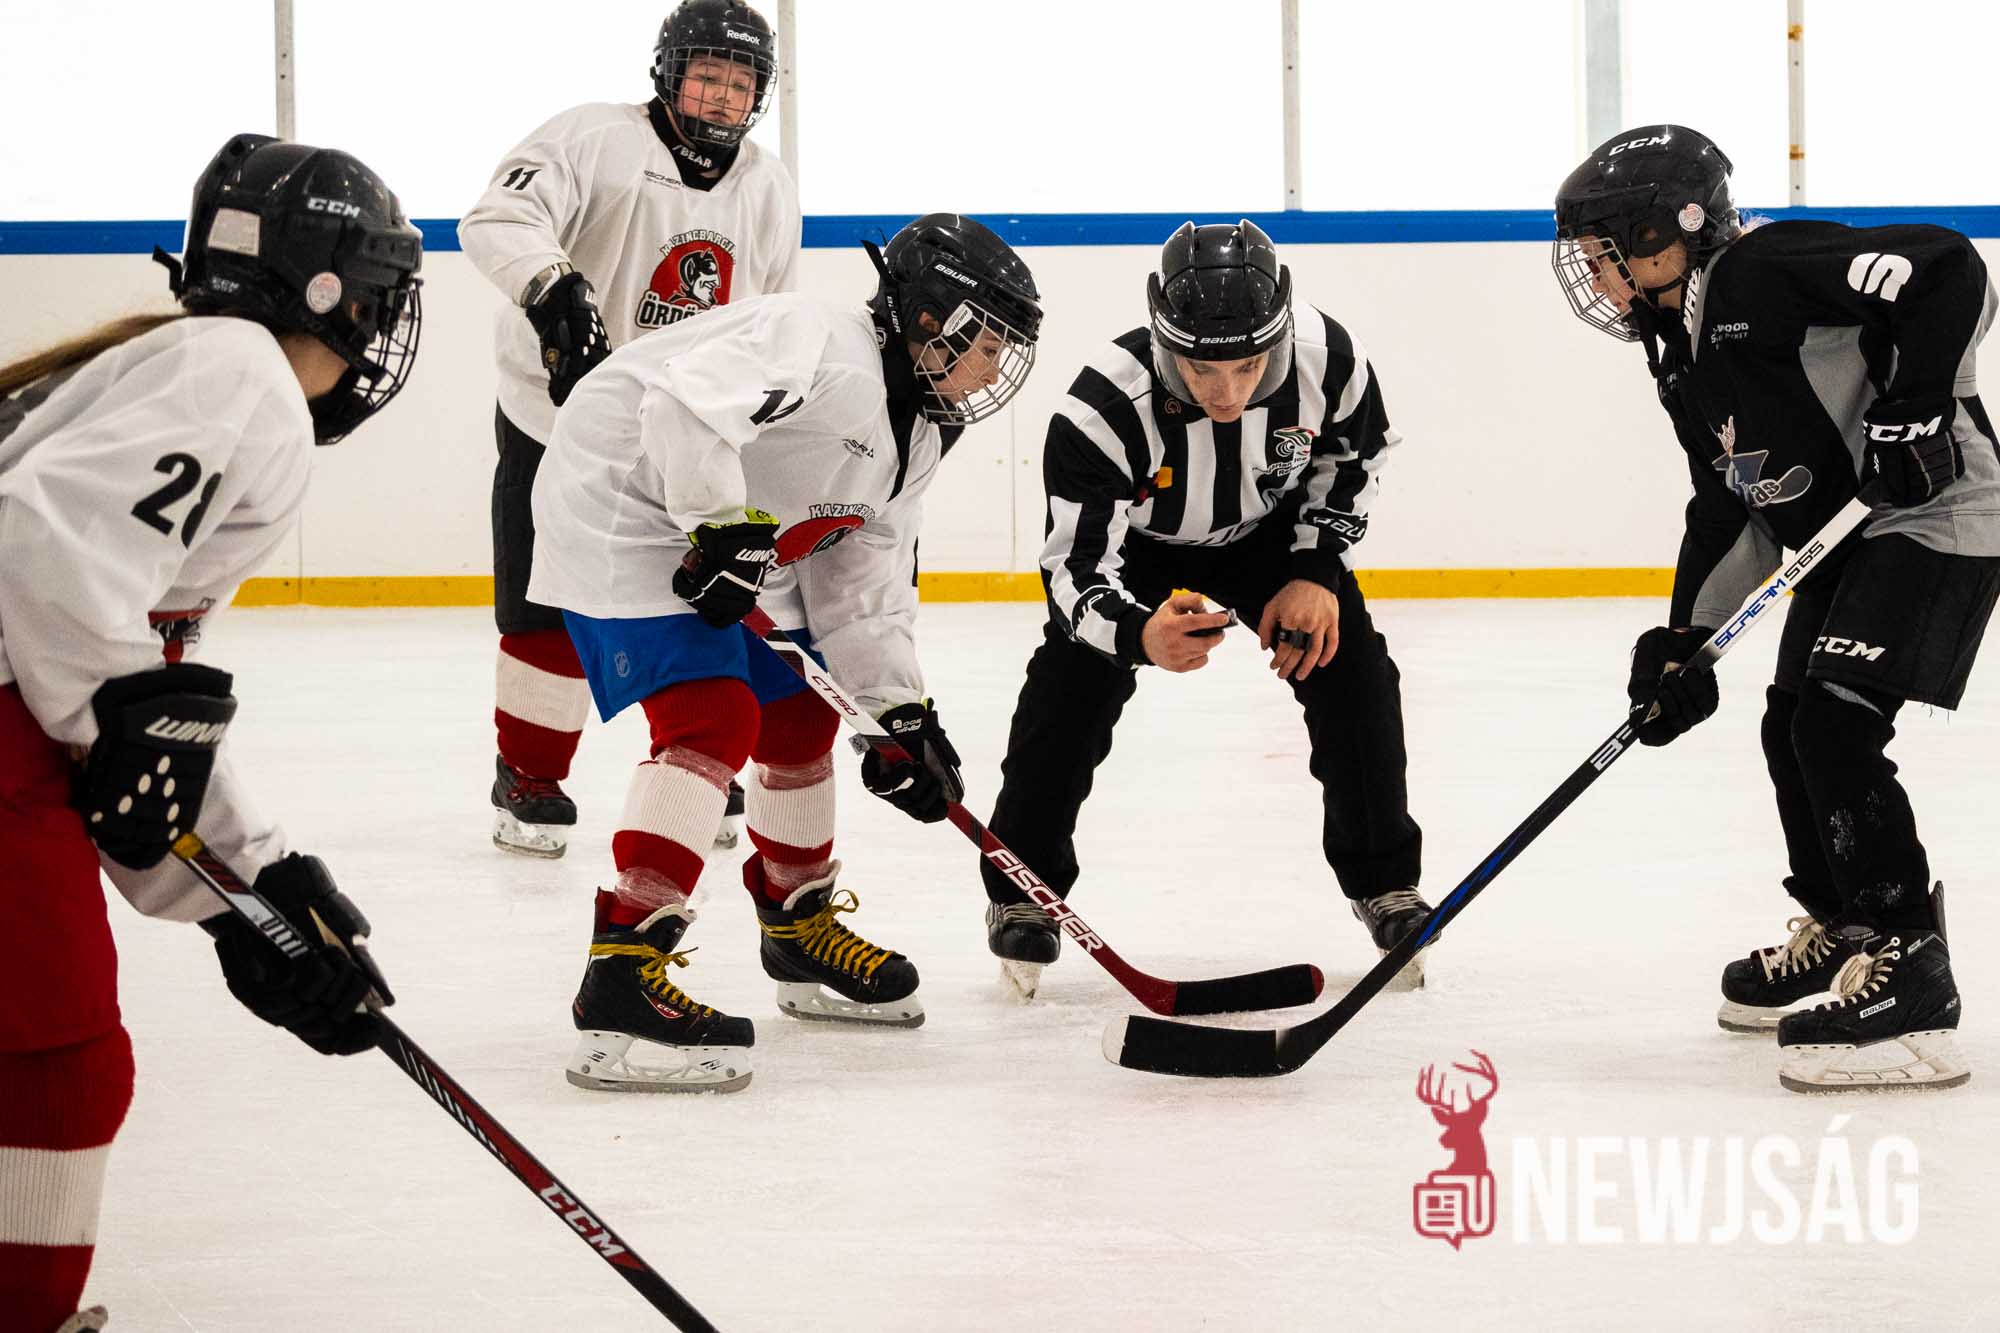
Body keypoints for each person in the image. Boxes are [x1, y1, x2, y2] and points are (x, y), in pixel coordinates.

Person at [0, 133, 420, 1333]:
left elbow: (130, 683)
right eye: (380, 290)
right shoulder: (241, 374)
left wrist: (256, 883)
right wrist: (228, 881)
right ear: (331, 291)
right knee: (58, 1058)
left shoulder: (186, 360)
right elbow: (50, 556)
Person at [529, 213, 1041, 1092]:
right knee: (712, 715)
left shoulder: (916, 436)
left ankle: (797, 927)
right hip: (622, 496)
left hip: (720, 526)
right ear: (930, 319)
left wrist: (897, 713)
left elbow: (862, 582)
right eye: (987, 345)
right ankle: (622, 965)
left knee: (800, 711)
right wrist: (717, 523)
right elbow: (682, 405)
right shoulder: (819, 340)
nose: (994, 370)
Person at [1553, 124, 2000, 1092]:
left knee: (1835, 724)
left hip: (1936, 512)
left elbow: (1946, 268)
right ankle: (1849, 925)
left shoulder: (1760, 271)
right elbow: (1731, 508)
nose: (1592, 272)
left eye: (1603, 248)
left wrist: (1917, 407)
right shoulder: (1679, 355)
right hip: (1849, 533)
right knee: (1789, 723)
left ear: (1665, 234)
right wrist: (1685, 643)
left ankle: (1913, 973)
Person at [978, 219, 1429, 1001]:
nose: (1228, 395)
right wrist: (1136, 634)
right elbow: (1074, 569)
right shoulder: (1102, 409)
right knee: (1071, 683)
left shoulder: (1330, 359)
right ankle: (1024, 886)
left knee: (1353, 668)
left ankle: (1385, 883)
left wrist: (1315, 568)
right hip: (1139, 548)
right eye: (1201, 370)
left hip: (1269, 538)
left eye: (1250, 367)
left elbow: (1355, 458)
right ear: (1163, 342)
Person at [460, 0, 800, 859]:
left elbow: (767, 317)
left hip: (679, 432)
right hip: (553, 416)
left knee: (698, 593)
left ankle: (695, 757)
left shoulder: (767, 185)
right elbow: (496, 218)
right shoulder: (594, 137)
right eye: (708, 76)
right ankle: (528, 773)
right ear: (668, 73)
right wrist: (552, 287)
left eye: (741, 84)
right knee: (545, 601)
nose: (723, 97)